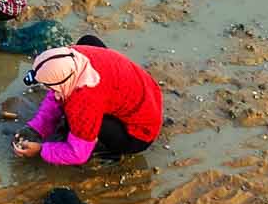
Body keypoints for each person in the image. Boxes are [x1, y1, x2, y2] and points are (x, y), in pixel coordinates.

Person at [12, 38, 163, 166]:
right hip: (148, 96)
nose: (49, 91)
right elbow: (56, 92)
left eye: (49, 86)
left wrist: (41, 150)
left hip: (139, 134)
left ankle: (105, 147)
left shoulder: (83, 100)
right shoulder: (76, 53)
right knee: (88, 40)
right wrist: (37, 128)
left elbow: (78, 155)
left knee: (75, 120)